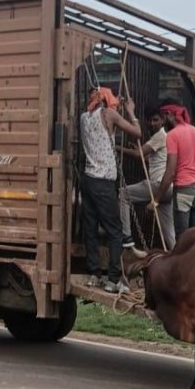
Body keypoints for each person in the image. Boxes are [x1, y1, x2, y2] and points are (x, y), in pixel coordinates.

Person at [79, 88, 141, 293]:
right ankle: (113, 279)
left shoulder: (84, 117)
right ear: (107, 99)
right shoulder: (109, 114)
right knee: (115, 231)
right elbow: (136, 133)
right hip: (104, 181)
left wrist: (116, 106)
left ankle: (94, 274)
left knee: (90, 228)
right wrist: (130, 111)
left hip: (88, 180)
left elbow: (105, 129)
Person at [118, 107, 175, 250]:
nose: (152, 123)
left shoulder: (160, 136)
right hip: (168, 190)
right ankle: (178, 256)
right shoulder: (164, 137)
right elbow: (149, 159)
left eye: (156, 120)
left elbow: (139, 155)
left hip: (158, 185)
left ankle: (126, 236)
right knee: (169, 234)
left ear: (162, 120)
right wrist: (136, 151)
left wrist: (117, 148)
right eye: (150, 120)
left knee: (123, 194)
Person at [152, 99, 195, 242]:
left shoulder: (173, 135)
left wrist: (156, 200)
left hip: (183, 191)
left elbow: (170, 172)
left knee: (182, 241)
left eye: (163, 117)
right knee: (193, 241)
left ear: (170, 115)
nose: (163, 122)